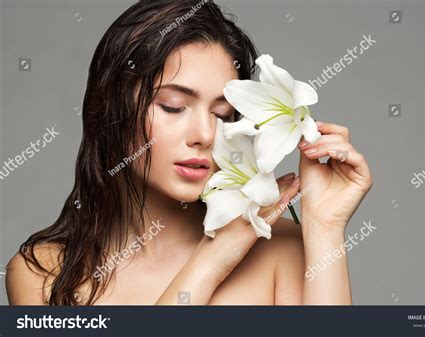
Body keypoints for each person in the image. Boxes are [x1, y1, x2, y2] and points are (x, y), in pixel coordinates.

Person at [6, 0, 372, 305]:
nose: (205, 135)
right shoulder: (45, 273)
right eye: (173, 106)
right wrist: (211, 262)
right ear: (111, 110)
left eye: (222, 114)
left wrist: (325, 230)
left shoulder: (282, 248)